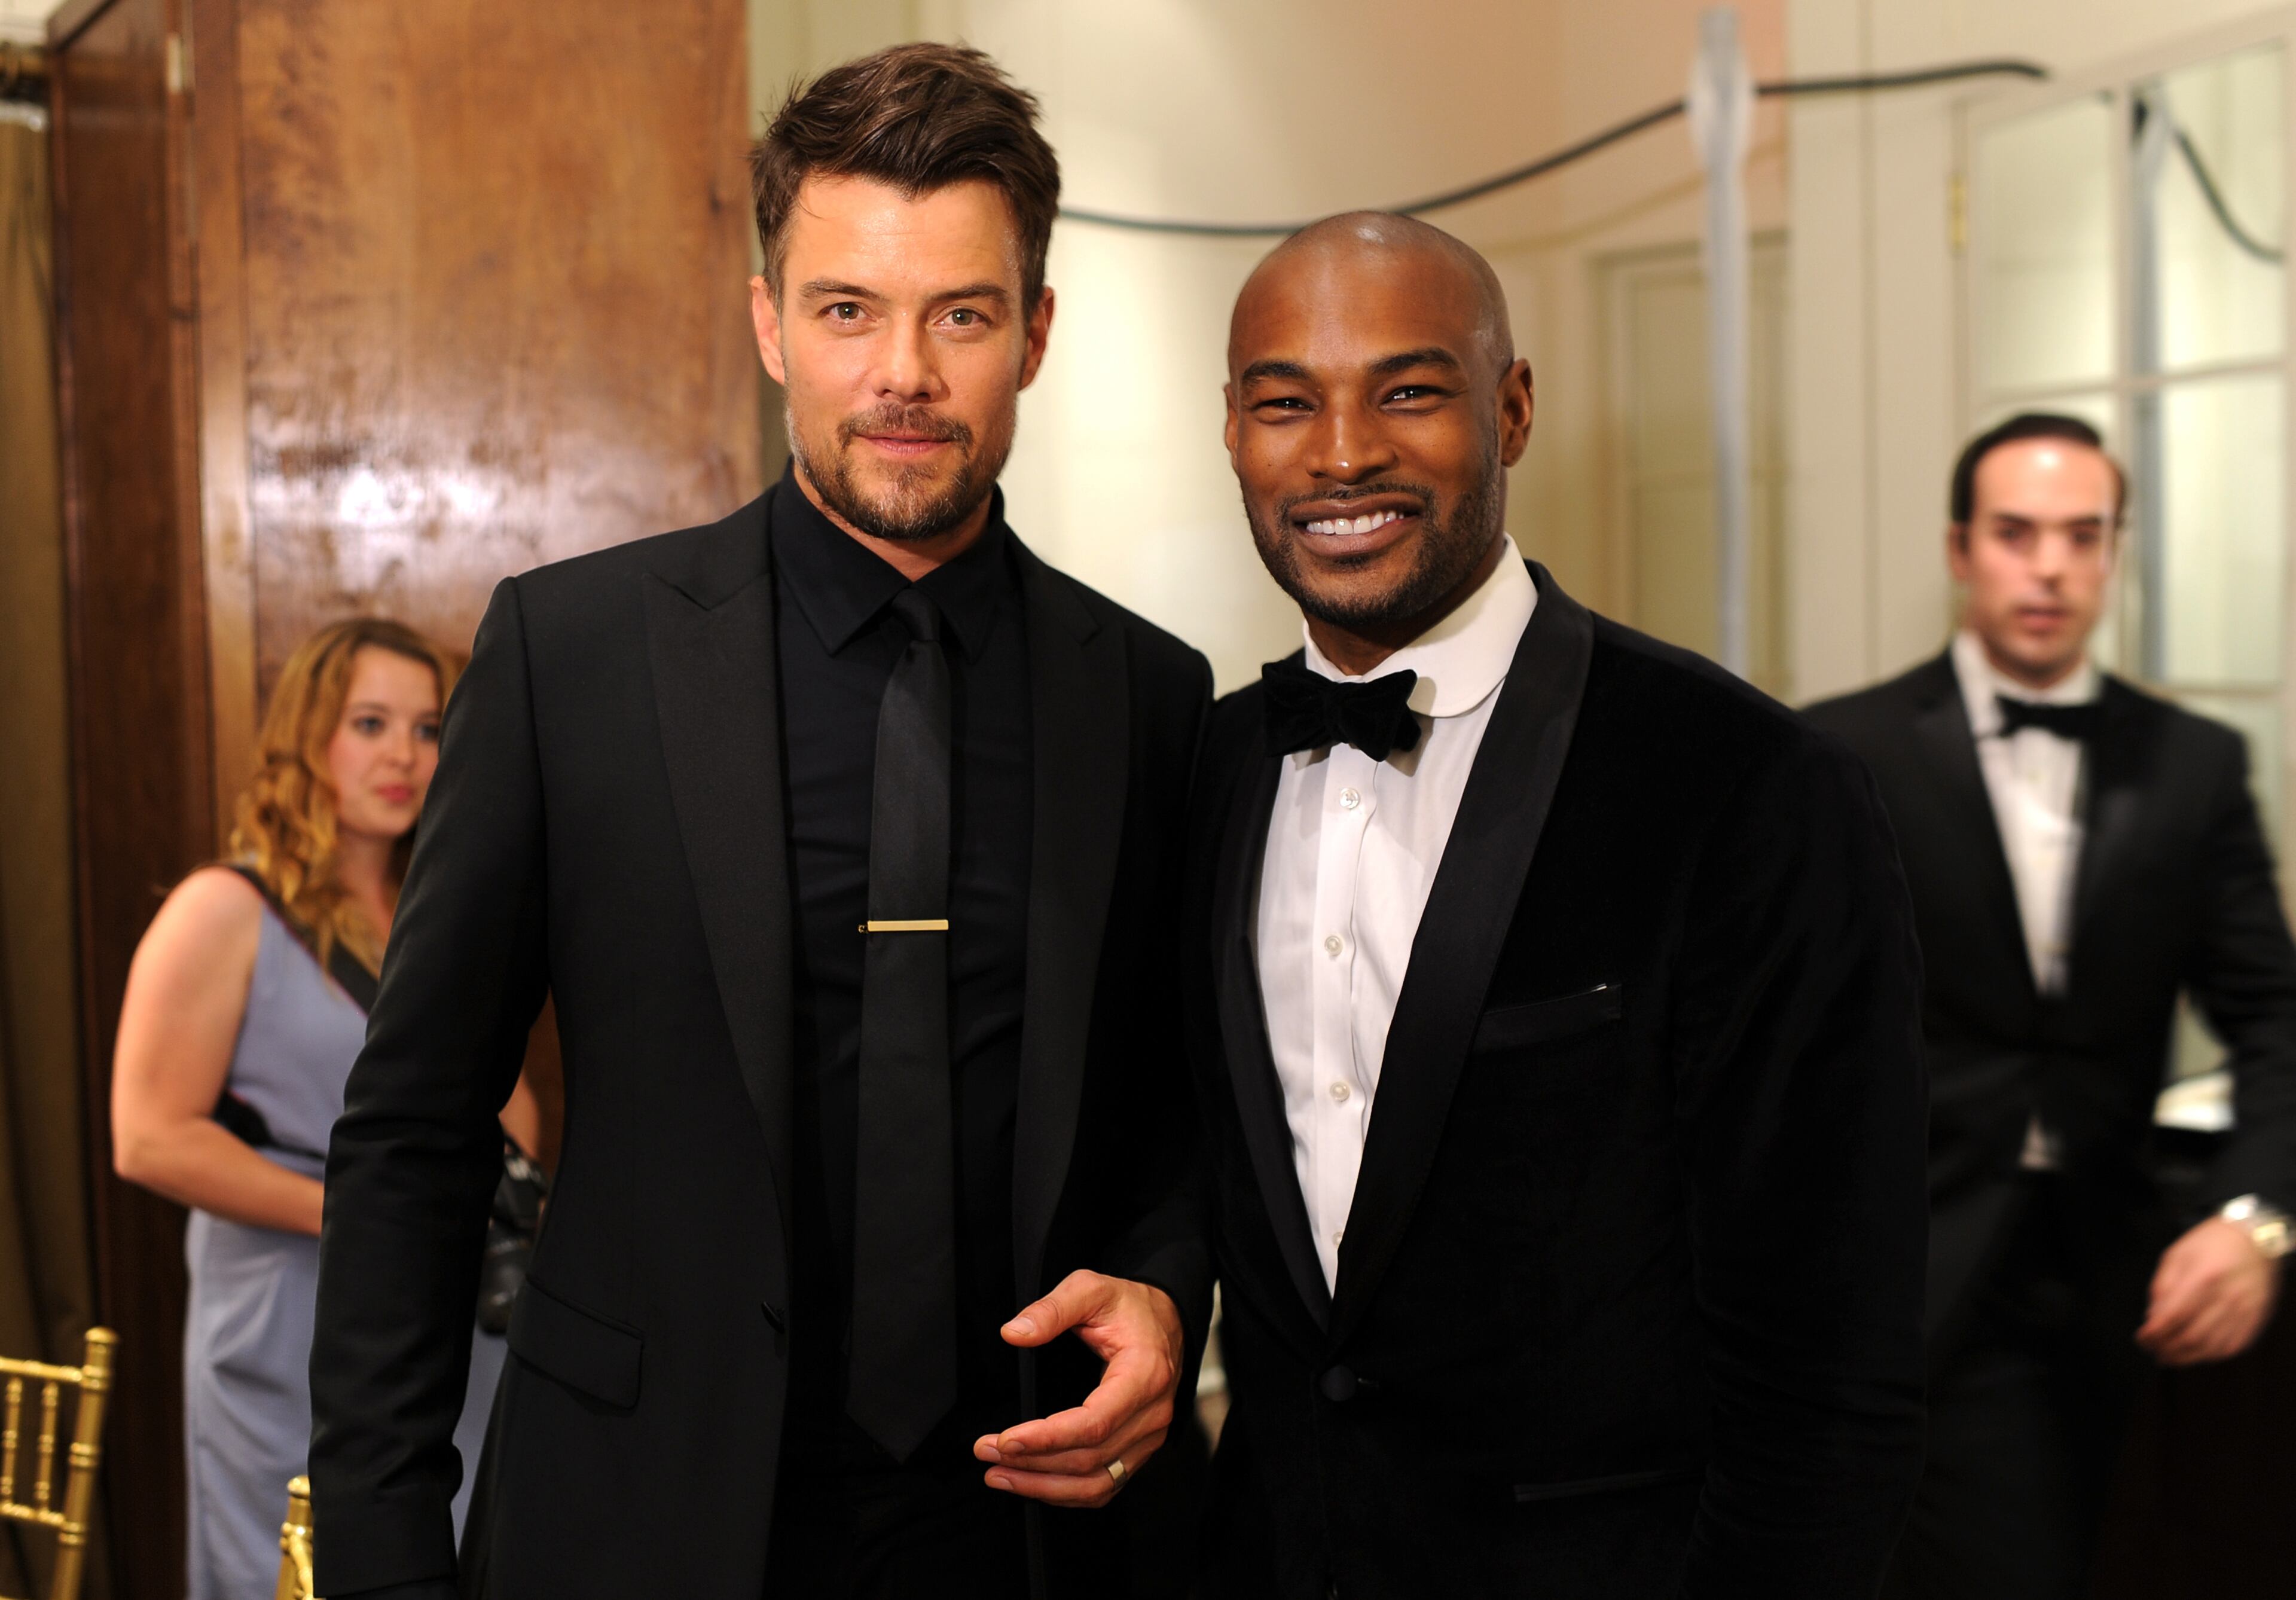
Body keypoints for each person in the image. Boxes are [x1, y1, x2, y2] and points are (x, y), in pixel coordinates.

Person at [306, 43, 1214, 1600]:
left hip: (1036, 1524)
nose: (903, 374)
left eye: (963, 314)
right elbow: (412, 1132)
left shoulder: (1145, 691)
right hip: (639, 1515)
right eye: (847, 308)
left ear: (1036, 333)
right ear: (769, 324)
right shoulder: (571, 657)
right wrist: (386, 1552)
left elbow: (1180, 1109)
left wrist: (1172, 1285)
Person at [1184, 212, 1929, 1598]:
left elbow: (1834, 1367)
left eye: (1408, 390)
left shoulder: (1752, 786)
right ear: (1231, 432)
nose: (1342, 453)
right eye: (1287, 404)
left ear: (1512, 408)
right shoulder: (1204, 774)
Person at [1805, 413, 2296, 1600]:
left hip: (2110, 1283)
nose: (2052, 567)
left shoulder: (2194, 763)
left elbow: (2277, 1020)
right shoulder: (1838, 754)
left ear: (2115, 551)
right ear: (1960, 548)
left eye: (2084, 537)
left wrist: (2259, 1216)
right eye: (2018, 534)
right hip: (1882, 1266)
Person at [109, 618, 527, 1600]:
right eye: (370, 722)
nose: (403, 755)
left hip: (446, 1302)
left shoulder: (440, 907)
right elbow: (148, 1138)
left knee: (452, 1549)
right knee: (293, 1567)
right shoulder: (223, 909)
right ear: (307, 736)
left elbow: (509, 1109)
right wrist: (367, 1212)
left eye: (429, 730)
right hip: (283, 1316)